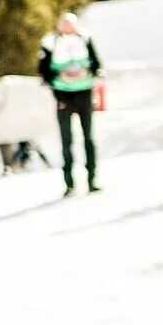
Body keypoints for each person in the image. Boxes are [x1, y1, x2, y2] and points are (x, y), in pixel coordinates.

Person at [38, 11, 104, 195]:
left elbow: (97, 64)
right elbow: (43, 70)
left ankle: (92, 180)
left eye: (70, 23)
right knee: (66, 140)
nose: (67, 27)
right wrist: (59, 77)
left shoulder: (85, 39)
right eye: (64, 23)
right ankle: (69, 184)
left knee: (88, 138)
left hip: (83, 93)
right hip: (64, 96)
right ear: (59, 25)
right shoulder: (51, 41)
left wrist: (88, 74)